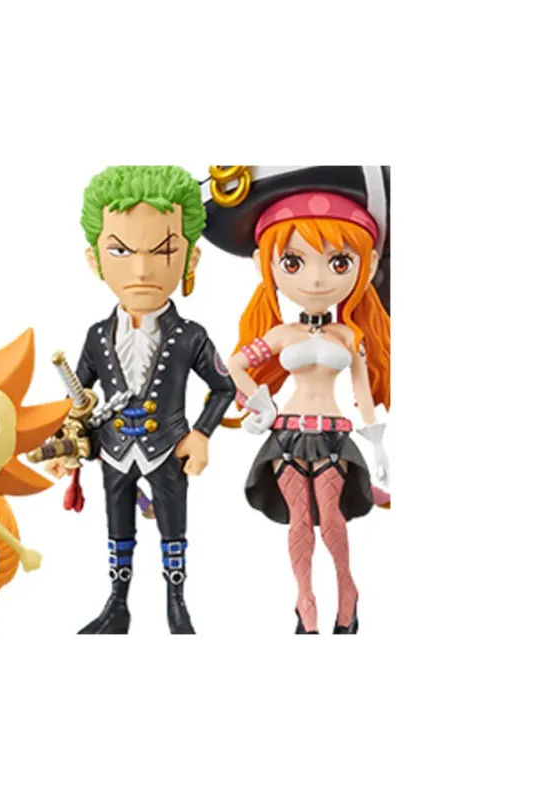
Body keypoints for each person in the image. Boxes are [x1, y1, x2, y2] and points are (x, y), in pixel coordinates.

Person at [45, 166, 235, 634]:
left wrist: (201, 434)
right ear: (95, 260)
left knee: (173, 526)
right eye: (120, 251)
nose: (143, 270)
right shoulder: (97, 335)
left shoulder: (190, 336)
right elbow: (76, 395)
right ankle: (117, 604)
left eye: (164, 251)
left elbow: (224, 386)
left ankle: (177, 603)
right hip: (113, 449)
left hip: (167, 447)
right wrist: (66, 437)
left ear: (190, 259)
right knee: (117, 527)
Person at [204, 166, 391, 634]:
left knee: (333, 521)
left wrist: (378, 444)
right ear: (263, 266)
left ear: (367, 266)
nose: (316, 278)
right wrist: (260, 403)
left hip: (333, 435)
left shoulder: (348, 336)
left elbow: (362, 391)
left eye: (339, 262)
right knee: (300, 524)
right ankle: (305, 603)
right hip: (285, 435)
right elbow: (233, 366)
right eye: (293, 262)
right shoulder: (281, 334)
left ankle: (347, 591)